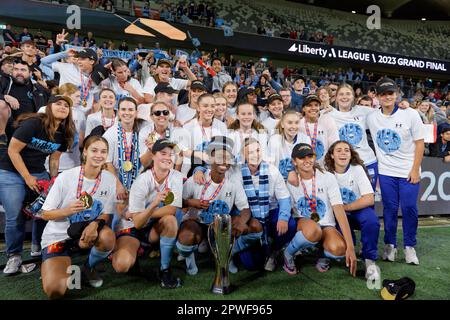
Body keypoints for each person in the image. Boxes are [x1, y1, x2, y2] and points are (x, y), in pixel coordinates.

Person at [0, 95, 75, 273]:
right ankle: (14, 256)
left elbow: (54, 159)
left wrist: (53, 181)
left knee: (44, 210)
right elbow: (12, 150)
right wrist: (26, 177)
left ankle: (37, 246)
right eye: (58, 104)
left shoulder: (64, 132)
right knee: (14, 215)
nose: (63, 107)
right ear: (49, 107)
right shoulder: (34, 123)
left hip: (38, 171)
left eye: (66, 105)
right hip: (11, 171)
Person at [40, 136, 116, 298]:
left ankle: (87, 268)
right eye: (94, 150)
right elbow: (45, 213)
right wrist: (67, 211)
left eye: (103, 152)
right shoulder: (66, 177)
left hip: (85, 234)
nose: (98, 155)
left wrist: (94, 225)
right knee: (55, 290)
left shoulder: (110, 180)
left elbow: (106, 213)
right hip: (58, 237)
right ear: (85, 152)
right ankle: (59, 268)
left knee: (108, 237)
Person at [177, 136, 261, 275]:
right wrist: (190, 202)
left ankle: (227, 255)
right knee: (186, 236)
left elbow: (245, 209)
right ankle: (190, 259)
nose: (224, 161)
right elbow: (177, 202)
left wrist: (241, 222)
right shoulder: (197, 178)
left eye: (227, 158)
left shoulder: (233, 181)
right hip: (197, 222)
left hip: (221, 225)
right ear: (210, 159)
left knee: (255, 226)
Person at [366, 78, 425, 265]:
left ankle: (409, 246)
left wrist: (415, 169)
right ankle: (390, 244)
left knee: (409, 208)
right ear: (376, 96)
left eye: (390, 93)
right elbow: (351, 115)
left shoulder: (411, 114)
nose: (387, 97)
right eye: (383, 94)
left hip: (408, 171)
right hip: (385, 172)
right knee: (390, 210)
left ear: (397, 94)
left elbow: (420, 143)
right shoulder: (371, 116)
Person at [113, 139, 183, 288]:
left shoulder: (176, 176)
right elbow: (137, 223)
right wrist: (154, 204)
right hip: (132, 227)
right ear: (153, 156)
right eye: (163, 153)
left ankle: (164, 270)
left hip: (150, 226)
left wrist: (144, 213)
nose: (168, 157)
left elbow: (171, 209)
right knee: (121, 265)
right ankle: (131, 257)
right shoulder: (142, 181)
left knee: (170, 220)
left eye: (171, 154)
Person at [283, 143, 357, 277]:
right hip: (304, 223)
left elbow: (339, 210)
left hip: (327, 225)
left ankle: (321, 253)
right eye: (301, 158)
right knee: (313, 230)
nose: (307, 161)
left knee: (339, 249)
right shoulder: (290, 181)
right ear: (294, 161)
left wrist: (350, 247)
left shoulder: (327, 177)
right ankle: (288, 253)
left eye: (310, 156)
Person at [324, 141, 381, 281]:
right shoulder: (326, 173)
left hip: (356, 210)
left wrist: (345, 208)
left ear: (351, 155)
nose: (343, 153)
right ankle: (333, 254)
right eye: (338, 150)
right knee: (340, 247)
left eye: (346, 150)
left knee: (372, 221)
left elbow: (369, 199)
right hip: (337, 216)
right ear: (332, 155)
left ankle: (369, 261)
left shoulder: (357, 169)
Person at [328, 84, 378, 190]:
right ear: (336, 97)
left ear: (353, 97)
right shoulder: (329, 114)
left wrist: (402, 106)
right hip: (344, 163)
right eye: (341, 94)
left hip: (367, 161)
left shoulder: (363, 111)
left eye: (348, 94)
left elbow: (385, 114)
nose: (344, 97)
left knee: (368, 198)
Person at [103, 98, 151, 207]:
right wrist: (117, 184)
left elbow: (145, 162)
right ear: (118, 112)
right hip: (116, 181)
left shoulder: (143, 132)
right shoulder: (110, 134)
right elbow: (107, 163)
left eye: (130, 109)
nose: (127, 113)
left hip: (139, 181)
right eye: (123, 109)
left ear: (136, 112)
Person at [0, 59, 50, 139]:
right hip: (9, 124)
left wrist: (46, 88)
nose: (19, 72)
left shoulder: (38, 88)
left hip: (30, 126)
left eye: (23, 70)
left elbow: (51, 101)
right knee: (1, 104)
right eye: (16, 69)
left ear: (30, 73)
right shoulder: (4, 81)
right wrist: (5, 97)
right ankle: (1, 138)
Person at [181, 93, 227, 177]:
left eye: (212, 106)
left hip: (216, 171)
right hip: (192, 171)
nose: (210, 109)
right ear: (198, 108)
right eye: (205, 106)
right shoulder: (188, 126)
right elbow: (181, 149)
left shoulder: (221, 126)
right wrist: (199, 154)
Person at [139, 101, 189, 171]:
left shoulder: (178, 130)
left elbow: (180, 157)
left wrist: (174, 176)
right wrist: (150, 150)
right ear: (151, 117)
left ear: (169, 115)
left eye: (165, 112)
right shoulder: (145, 132)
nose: (162, 115)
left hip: (172, 170)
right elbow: (144, 163)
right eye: (157, 113)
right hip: (151, 170)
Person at [267, 110, 308, 180]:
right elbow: (270, 167)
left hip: (300, 182)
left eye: (296, 123)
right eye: (290, 123)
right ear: (282, 124)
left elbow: (307, 165)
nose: (293, 126)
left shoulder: (305, 139)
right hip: (279, 182)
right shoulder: (274, 140)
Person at [298, 94, 339, 165]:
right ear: (303, 108)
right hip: (305, 166)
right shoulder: (298, 124)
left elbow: (334, 144)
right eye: (309, 105)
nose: (313, 108)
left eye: (316, 105)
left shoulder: (327, 120)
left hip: (325, 166)